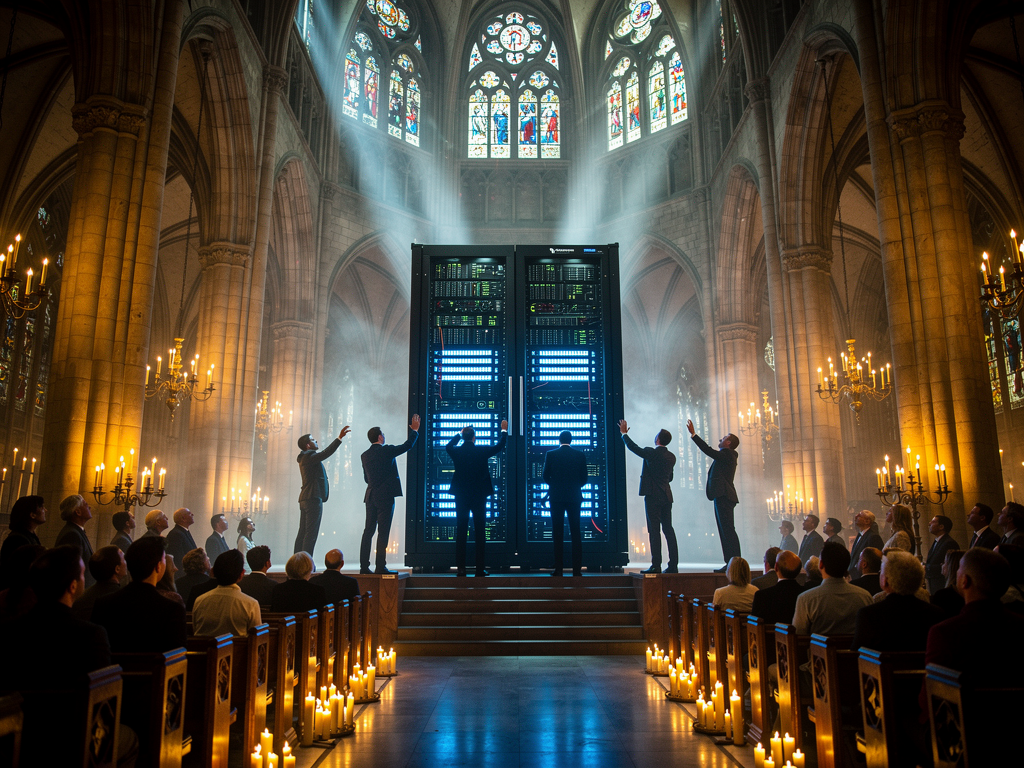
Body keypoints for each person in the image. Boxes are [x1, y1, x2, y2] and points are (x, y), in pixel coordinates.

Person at [92, 536, 187, 653]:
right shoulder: (172, 609)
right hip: (156, 671)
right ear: (158, 566)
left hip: (115, 671)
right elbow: (177, 658)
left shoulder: (103, 604)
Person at [447, 420, 508, 577]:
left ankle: (461, 569)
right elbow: (500, 446)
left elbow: (448, 446)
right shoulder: (481, 451)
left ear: (464, 437)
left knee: (461, 530)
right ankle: (480, 569)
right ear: (475, 438)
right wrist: (503, 431)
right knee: (480, 530)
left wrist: (458, 435)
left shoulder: (456, 451)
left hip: (461, 494)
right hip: (479, 495)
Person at [360, 414, 419, 574]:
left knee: (368, 531)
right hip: (385, 497)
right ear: (380, 437)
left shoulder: (364, 455)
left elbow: (366, 478)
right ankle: (380, 566)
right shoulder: (386, 451)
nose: (384, 436)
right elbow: (407, 446)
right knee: (383, 532)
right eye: (383, 434)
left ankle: (364, 567)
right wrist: (414, 430)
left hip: (370, 495)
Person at [851, 550, 943, 652]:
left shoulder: (868, 615)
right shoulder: (936, 614)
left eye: (881, 572)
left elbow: (856, 655)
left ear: (885, 581)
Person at [619, 419, 678, 574]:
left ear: (657, 439)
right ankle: (673, 566)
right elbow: (670, 477)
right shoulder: (671, 457)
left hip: (653, 495)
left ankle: (656, 565)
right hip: (666, 495)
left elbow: (634, 448)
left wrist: (624, 434)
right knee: (668, 530)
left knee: (654, 530)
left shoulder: (651, 453)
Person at [685, 419, 740, 570]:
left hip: (724, 496)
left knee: (727, 530)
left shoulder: (728, 454)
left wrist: (694, 434)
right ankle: (731, 563)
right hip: (722, 495)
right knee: (725, 530)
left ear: (728, 443)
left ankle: (734, 563)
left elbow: (708, 450)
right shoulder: (727, 455)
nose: (720, 439)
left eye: (723, 438)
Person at [792, 542, 873, 636]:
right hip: (854, 650)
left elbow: (799, 635)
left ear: (820, 565)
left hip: (818, 650)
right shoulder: (865, 596)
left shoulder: (806, 599)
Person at [295, 426, 352, 556]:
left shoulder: (304, 458)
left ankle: (297, 560)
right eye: (313, 440)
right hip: (312, 498)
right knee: (311, 533)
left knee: (303, 532)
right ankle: (305, 562)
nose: (316, 441)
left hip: (305, 497)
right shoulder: (309, 456)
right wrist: (339, 438)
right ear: (308, 445)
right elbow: (326, 453)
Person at [542, 430, 589, 577]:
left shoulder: (551, 454)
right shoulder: (580, 455)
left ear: (559, 439)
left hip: (556, 497)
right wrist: (574, 486)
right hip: (574, 497)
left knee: (557, 533)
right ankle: (577, 570)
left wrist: (556, 485)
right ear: (571, 440)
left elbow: (545, 476)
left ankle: (559, 569)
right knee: (575, 533)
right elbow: (584, 478)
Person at [192, 550, 262, 637]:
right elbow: (257, 640)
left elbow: (195, 631)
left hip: (203, 650)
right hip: (237, 650)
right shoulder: (250, 604)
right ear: (242, 574)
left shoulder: (199, 601)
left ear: (213, 572)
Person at [0, 495, 46, 587]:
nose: (45, 510)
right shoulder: (17, 540)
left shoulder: (28, 536)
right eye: (41, 507)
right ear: (32, 514)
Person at [750, 550, 804, 625]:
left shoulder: (761, 596)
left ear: (776, 567)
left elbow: (754, 627)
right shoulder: (805, 595)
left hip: (769, 637)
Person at [72, 546, 125, 621]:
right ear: (117, 569)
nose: (126, 562)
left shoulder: (82, 597)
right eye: (124, 559)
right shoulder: (121, 598)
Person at [55, 495, 95, 587]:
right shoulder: (71, 534)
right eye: (86, 504)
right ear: (78, 512)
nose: (89, 507)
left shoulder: (76, 531)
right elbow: (72, 570)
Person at [924, 515, 959, 594]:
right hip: (935, 584)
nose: (929, 523)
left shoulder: (949, 543)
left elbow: (951, 566)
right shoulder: (938, 541)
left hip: (943, 586)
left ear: (941, 526)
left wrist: (926, 568)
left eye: (933, 522)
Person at [929, 548, 966, 618]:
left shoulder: (942, 595)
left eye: (944, 562)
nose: (941, 564)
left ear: (950, 566)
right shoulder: (965, 593)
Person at [848, 510, 884, 579]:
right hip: (855, 577)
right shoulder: (859, 535)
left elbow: (874, 561)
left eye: (859, 516)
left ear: (867, 521)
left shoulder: (873, 537)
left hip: (863, 578)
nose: (855, 517)